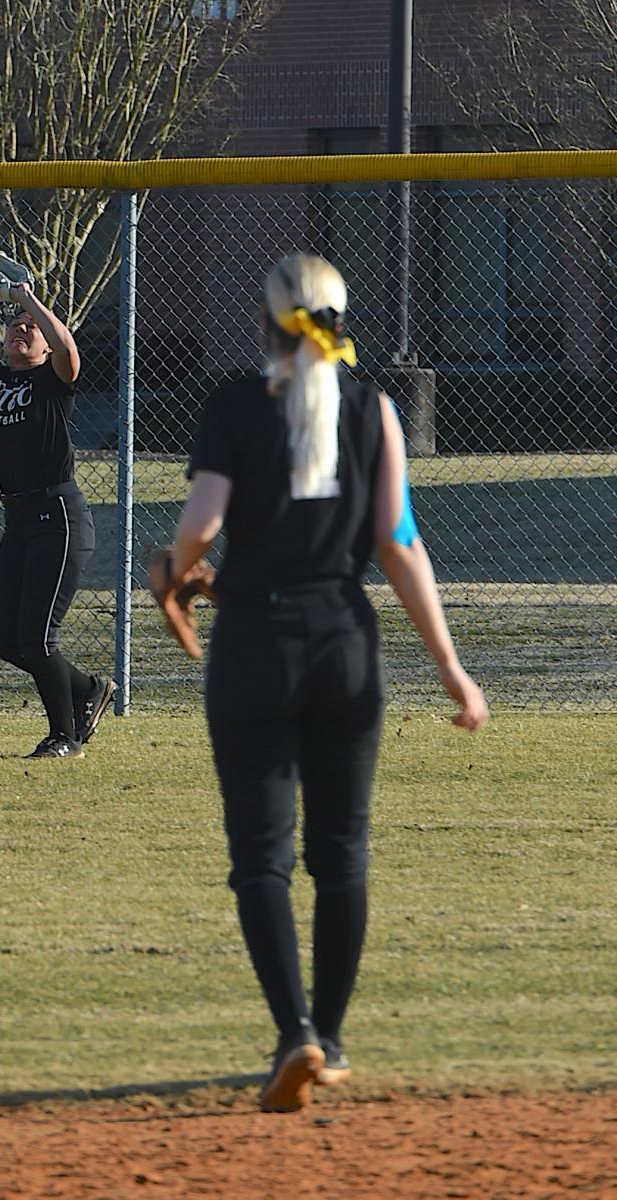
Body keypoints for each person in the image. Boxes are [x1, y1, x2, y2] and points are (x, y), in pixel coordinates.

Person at [168, 253, 488, 1112]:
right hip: (346, 640)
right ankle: (333, 1039)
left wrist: (176, 568)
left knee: (262, 857)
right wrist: (452, 669)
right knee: (342, 851)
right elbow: (397, 545)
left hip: (255, 642)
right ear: (344, 324)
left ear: (267, 325)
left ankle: (293, 1032)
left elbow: (202, 525)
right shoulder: (375, 409)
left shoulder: (235, 404)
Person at [0, 253, 115, 758]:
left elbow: (69, 351)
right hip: (18, 520)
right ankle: (88, 689)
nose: (21, 331)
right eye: (14, 327)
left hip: (59, 516)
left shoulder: (52, 380)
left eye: (29, 328)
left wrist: (27, 298)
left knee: (39, 637)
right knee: (5, 637)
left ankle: (66, 736)